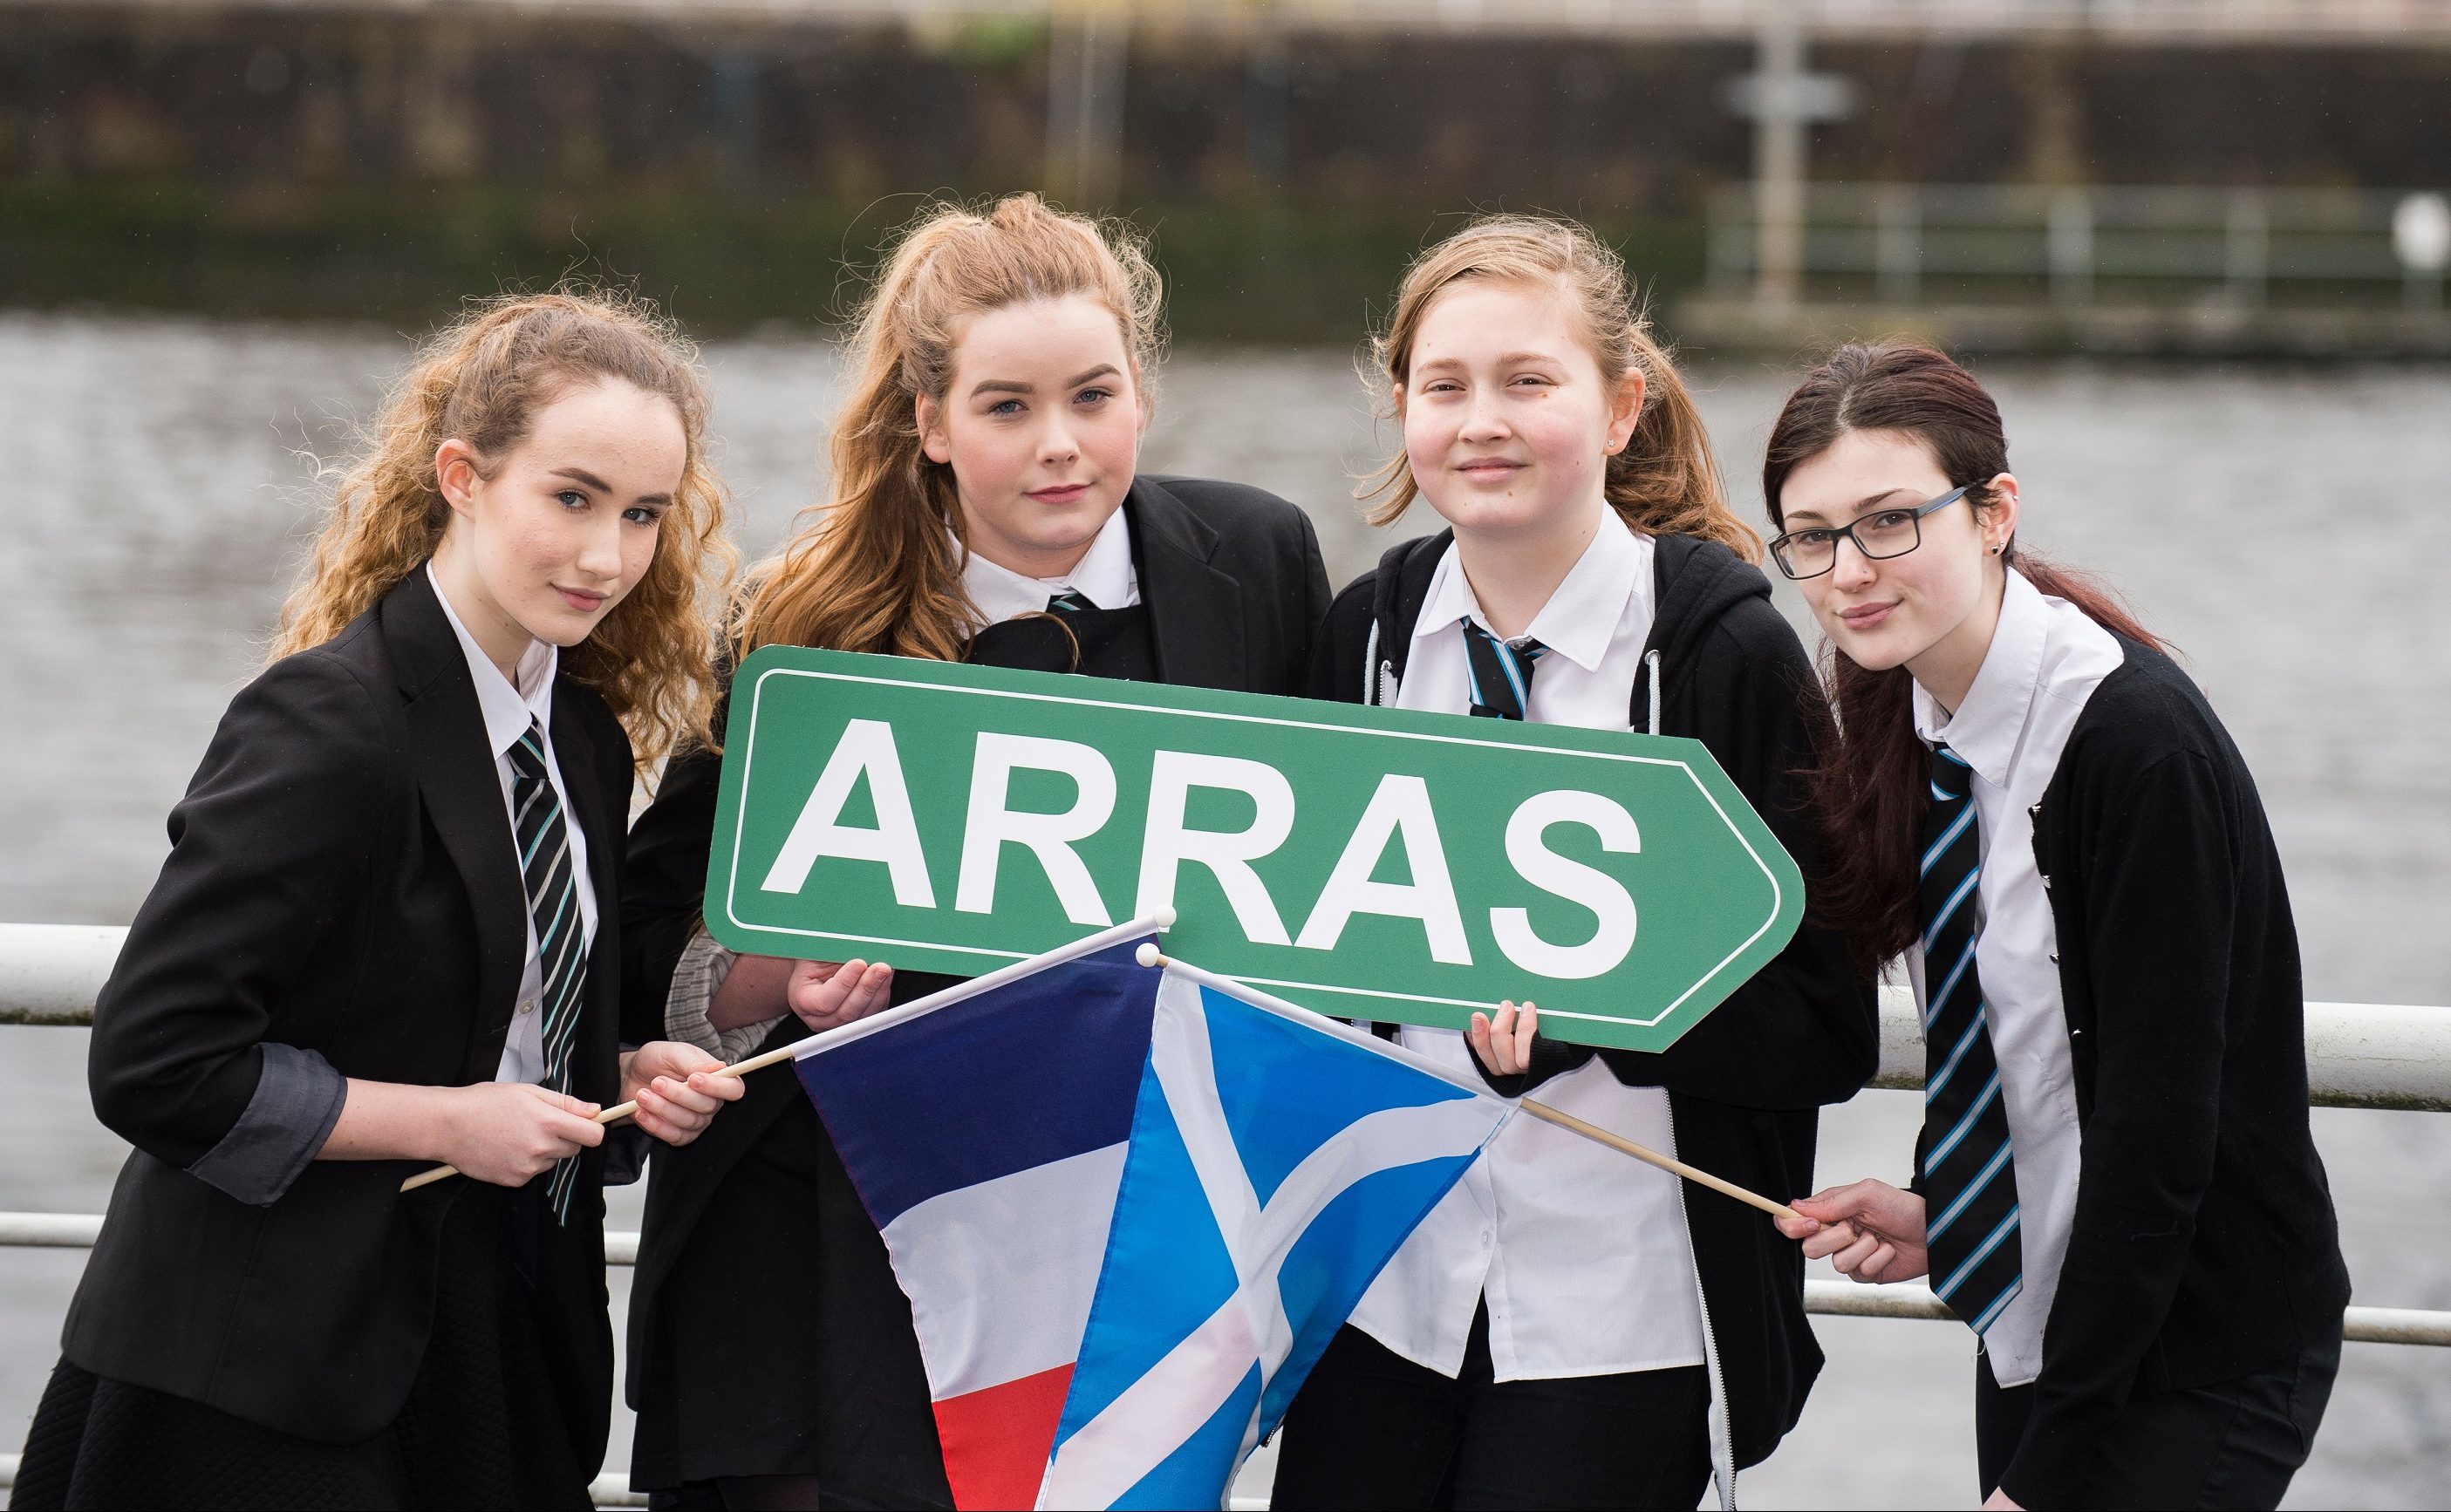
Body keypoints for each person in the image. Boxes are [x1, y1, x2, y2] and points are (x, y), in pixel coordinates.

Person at [619, 192, 1332, 1510]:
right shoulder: (804, 614)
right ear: (929, 423)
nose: (1059, 447)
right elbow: (662, 940)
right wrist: (782, 977)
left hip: (1103, 1276)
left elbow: (1327, 886)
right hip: (817, 1256)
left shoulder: (1254, 562)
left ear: (1142, 392)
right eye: (1005, 407)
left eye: (1093, 395)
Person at [11, 290, 750, 1511]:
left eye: (642, 514)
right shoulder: (328, 723)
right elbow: (153, 1059)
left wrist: (620, 1074)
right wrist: (448, 1123)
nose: (609, 556)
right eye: (570, 498)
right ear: (462, 475)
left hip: (490, 1347)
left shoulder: (581, 736)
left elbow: (496, 1017)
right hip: (264, 1378)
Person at [1273, 214, 1876, 1512]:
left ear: (1619, 406)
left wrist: (1611, 1021)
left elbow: (1824, 1023)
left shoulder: (1721, 657)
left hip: (1622, 1307)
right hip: (1383, 1294)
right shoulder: (1365, 643)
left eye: (1526, 381)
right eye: (1443, 386)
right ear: (1402, 412)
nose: (1480, 420)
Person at [1761, 342, 2349, 1510]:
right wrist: (1947, 1196)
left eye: (1887, 521)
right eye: (1811, 536)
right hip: (2050, 1310)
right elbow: (2006, 1018)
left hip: (2197, 1338)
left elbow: (2157, 1136)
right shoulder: (1904, 703)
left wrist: (2049, 1468)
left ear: (1991, 511)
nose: (1846, 572)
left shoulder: (2132, 746)